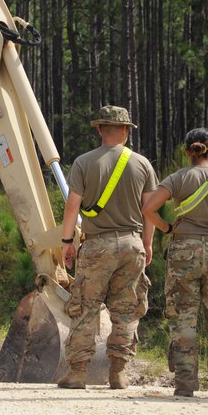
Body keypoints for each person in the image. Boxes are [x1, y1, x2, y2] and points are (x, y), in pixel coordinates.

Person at [58, 105, 157, 390]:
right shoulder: (142, 164)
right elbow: (150, 210)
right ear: (126, 131)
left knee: (85, 308)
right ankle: (118, 373)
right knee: (126, 310)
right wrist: (146, 243)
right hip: (132, 243)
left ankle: (78, 373)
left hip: (97, 246)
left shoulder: (83, 162)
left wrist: (67, 242)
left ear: (100, 129)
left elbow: (72, 207)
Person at [142, 128, 208, 399]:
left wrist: (167, 227)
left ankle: (185, 385)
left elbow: (148, 209)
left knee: (184, 322)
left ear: (187, 151)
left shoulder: (176, 179)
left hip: (183, 252)